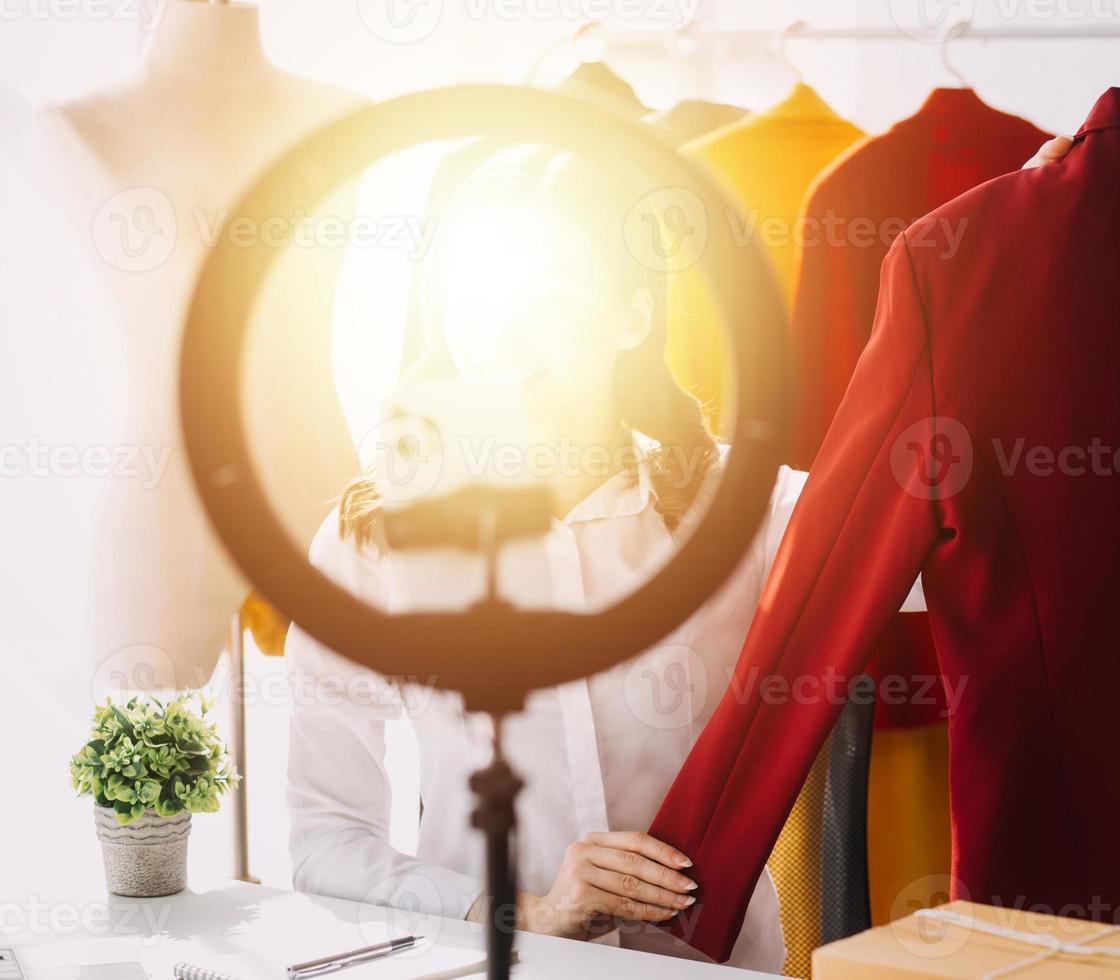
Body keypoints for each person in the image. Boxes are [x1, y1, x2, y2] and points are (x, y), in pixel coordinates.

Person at [284, 133, 1074, 973]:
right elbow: (324, 837)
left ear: (631, 316)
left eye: (546, 299)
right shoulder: (373, 545)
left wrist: (1020, 243)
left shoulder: (745, 513)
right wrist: (529, 913)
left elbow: (966, 540)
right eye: (475, 301)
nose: (501, 339)